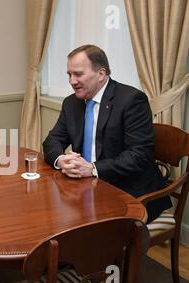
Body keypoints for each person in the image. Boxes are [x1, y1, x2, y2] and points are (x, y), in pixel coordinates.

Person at [43, 44, 171, 223]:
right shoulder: (72, 103)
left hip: (128, 192)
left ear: (101, 74)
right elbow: (52, 140)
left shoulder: (131, 100)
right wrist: (61, 160)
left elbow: (139, 155)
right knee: (52, 219)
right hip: (86, 188)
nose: (72, 81)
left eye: (78, 74)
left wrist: (93, 169)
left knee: (82, 234)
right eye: (69, 75)